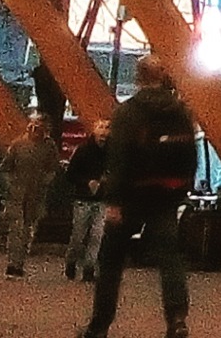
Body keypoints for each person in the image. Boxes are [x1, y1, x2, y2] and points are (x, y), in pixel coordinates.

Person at [79, 56, 197, 338]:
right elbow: (190, 155)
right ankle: (177, 319)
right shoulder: (180, 110)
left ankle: (100, 325)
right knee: (170, 258)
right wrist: (181, 190)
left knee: (110, 261)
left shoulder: (128, 111)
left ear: (138, 78)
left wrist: (114, 201)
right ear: (163, 76)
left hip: (132, 194)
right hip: (167, 194)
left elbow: (119, 158)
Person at [0, 113, 61, 277]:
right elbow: (6, 167)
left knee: (27, 229)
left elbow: (53, 169)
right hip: (17, 194)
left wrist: (45, 182)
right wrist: (11, 184)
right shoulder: (18, 144)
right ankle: (13, 263)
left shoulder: (49, 147)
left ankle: (20, 261)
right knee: (16, 229)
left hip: (36, 195)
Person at [64, 118, 112, 283]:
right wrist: (86, 182)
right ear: (94, 130)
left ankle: (89, 268)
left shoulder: (113, 153)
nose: (104, 132)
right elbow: (70, 175)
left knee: (97, 236)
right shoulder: (83, 150)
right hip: (83, 199)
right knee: (78, 235)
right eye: (101, 127)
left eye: (107, 128)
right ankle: (71, 260)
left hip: (102, 200)